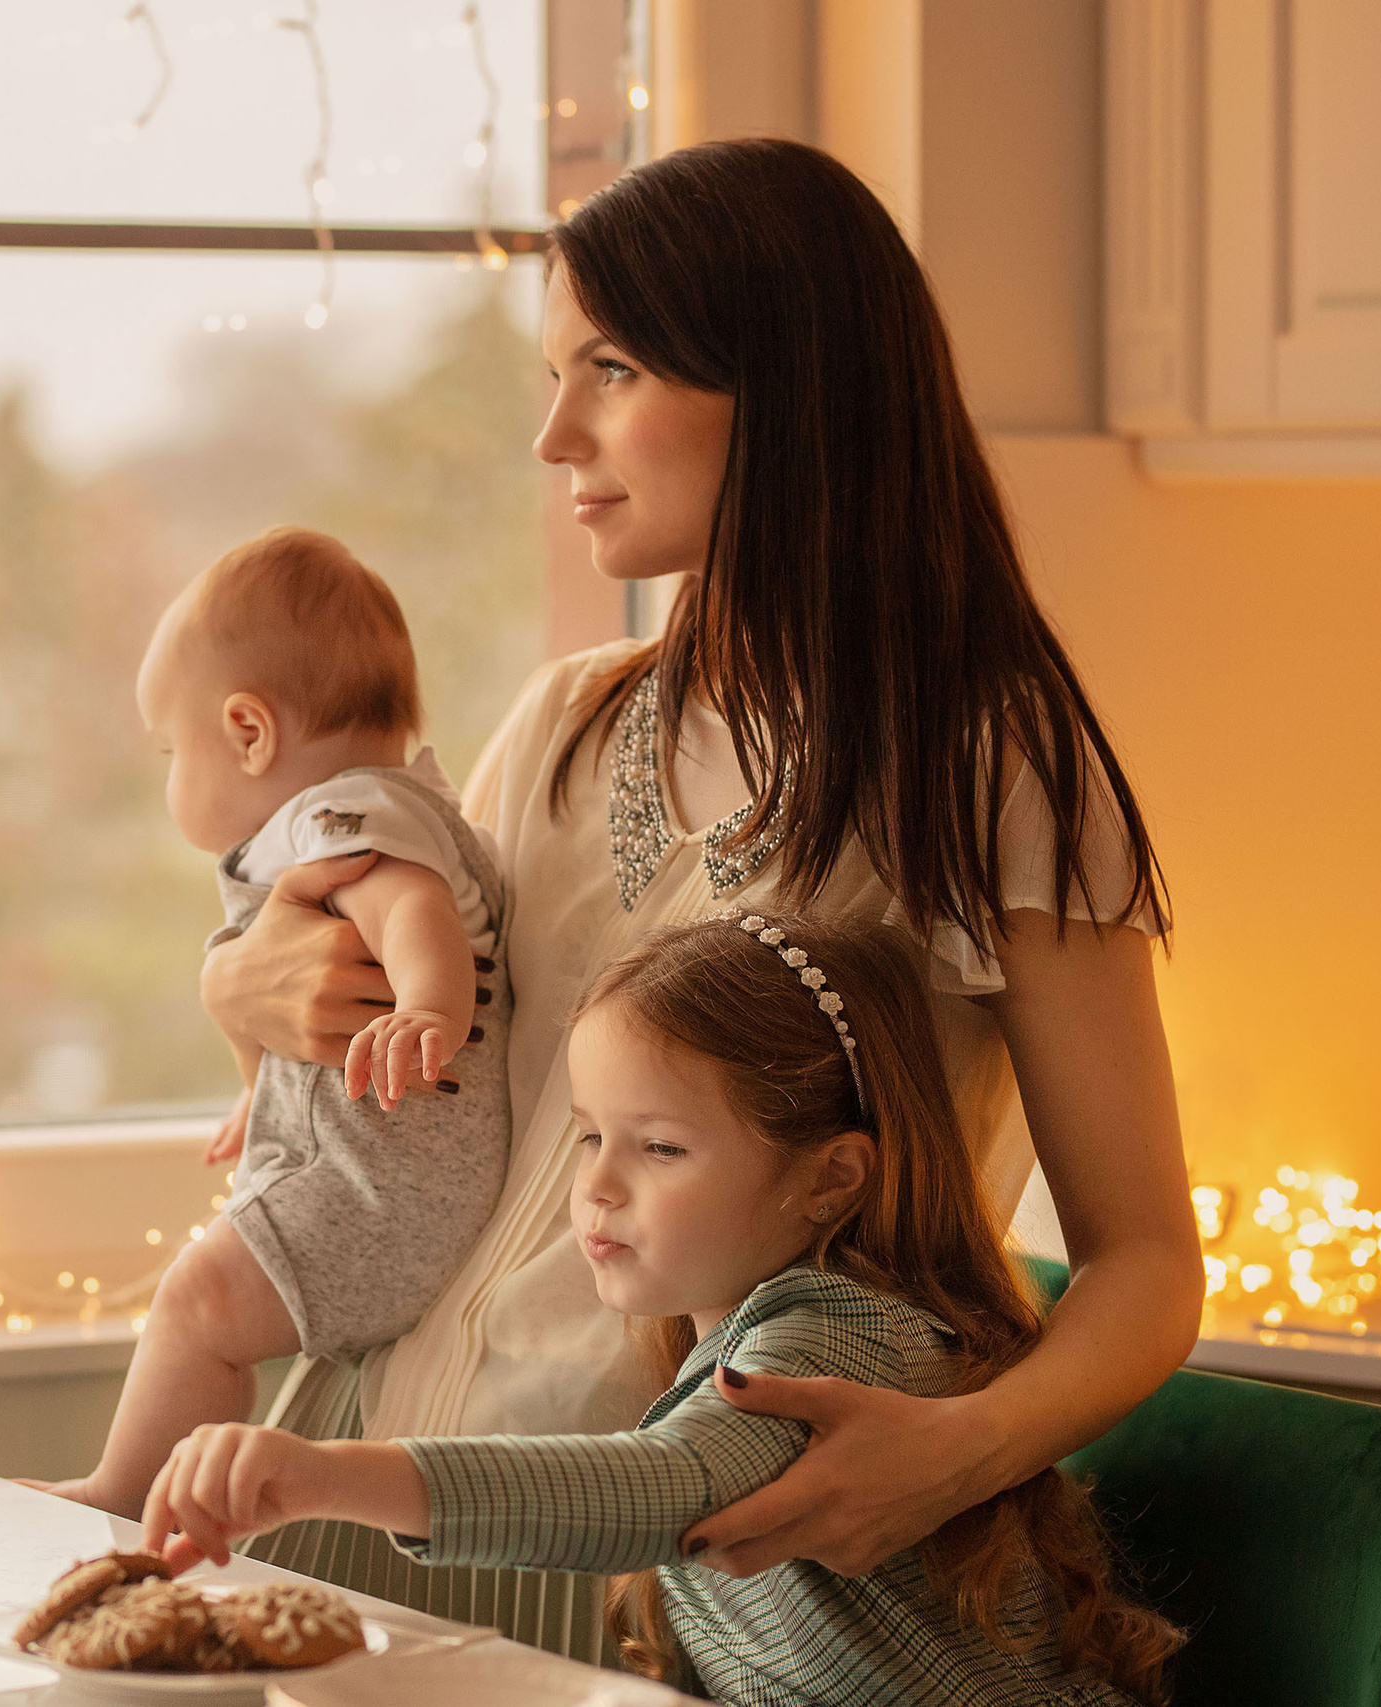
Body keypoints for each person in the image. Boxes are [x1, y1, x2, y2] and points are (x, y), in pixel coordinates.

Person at [198, 138, 1203, 1659]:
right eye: (555, 372)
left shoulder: (990, 765)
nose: (552, 433)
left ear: (784, 389)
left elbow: (1146, 1260)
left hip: (648, 1549)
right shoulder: (563, 720)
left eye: (607, 368)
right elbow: (396, 1099)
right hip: (350, 1450)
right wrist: (245, 987)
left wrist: (961, 1449)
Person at [148, 913, 1184, 1704]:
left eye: (661, 1148)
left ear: (828, 1179)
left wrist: (323, 1477)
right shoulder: (718, 1331)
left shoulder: (838, 1337)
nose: (598, 1186)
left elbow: (662, 1487)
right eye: (591, 1136)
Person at [34, 526, 517, 1517]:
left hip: (388, 1188)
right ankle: (135, 1491)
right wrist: (260, 1098)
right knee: (204, 1301)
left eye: (175, 750)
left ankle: (123, 1493)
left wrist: (430, 1003)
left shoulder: (344, 817)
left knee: (197, 1304)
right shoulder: (388, 799)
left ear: (248, 732)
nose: (171, 776)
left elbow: (407, 907)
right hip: (370, 1172)